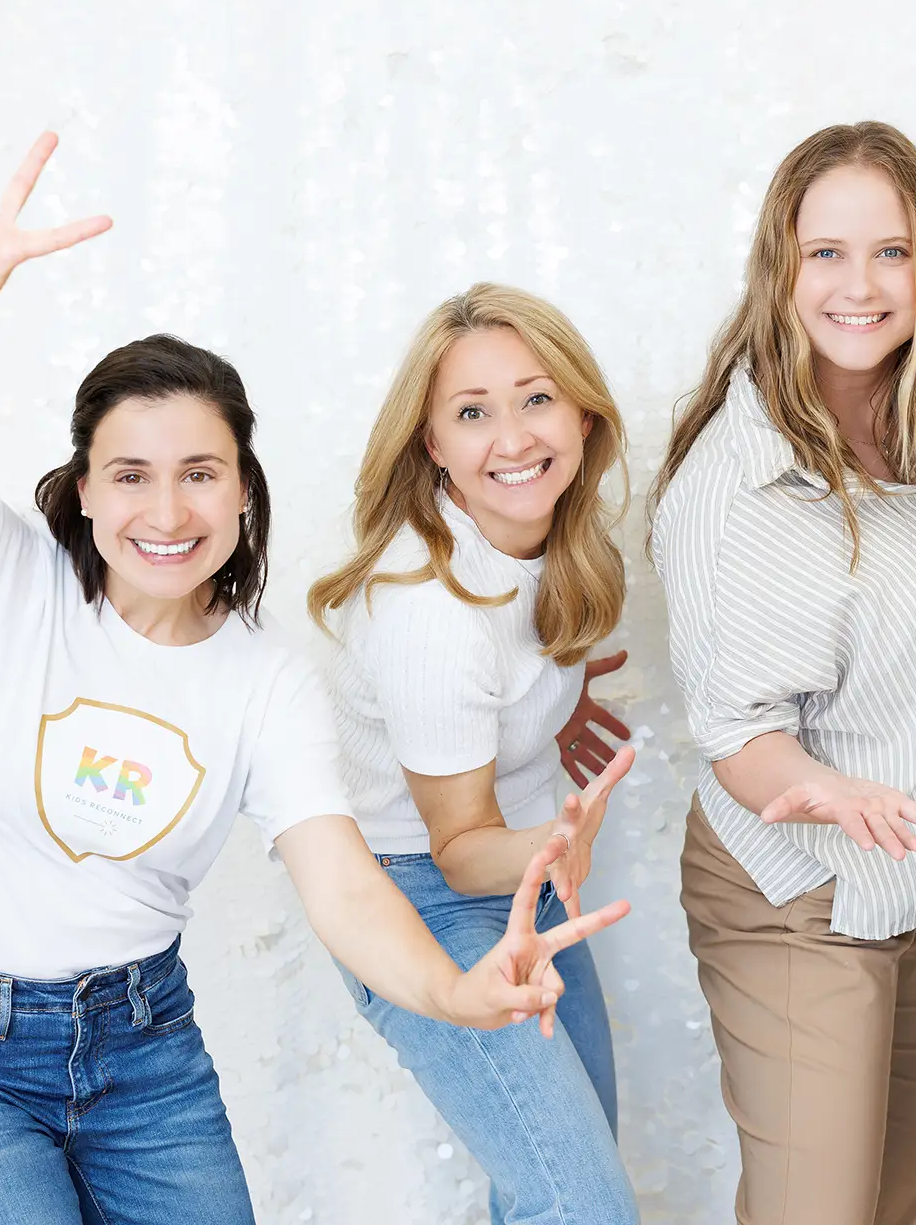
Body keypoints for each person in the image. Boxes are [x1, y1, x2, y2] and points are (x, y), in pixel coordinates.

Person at [0, 135, 626, 1225]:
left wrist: (459, 991)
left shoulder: (266, 683)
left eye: (200, 475)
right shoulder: (1, 580)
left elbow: (350, 886)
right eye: (131, 476)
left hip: (144, 1056)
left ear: (243, 496)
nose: (166, 513)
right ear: (81, 491)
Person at [650, 122, 916, 1225]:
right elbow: (736, 731)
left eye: (892, 252)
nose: (859, 285)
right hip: (795, 886)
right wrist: (819, 789)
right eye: (826, 253)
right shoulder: (739, 485)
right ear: (782, 268)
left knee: (906, 1196)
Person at [308, 282, 639, 1225]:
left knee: (567, 1191)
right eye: (471, 413)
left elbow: (513, 687)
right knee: (581, 1209)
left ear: (582, 410)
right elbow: (459, 848)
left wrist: (548, 723)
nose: (514, 438)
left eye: (536, 398)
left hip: (525, 877)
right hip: (421, 896)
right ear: (433, 446)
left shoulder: (553, 544)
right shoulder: (430, 613)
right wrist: (561, 840)